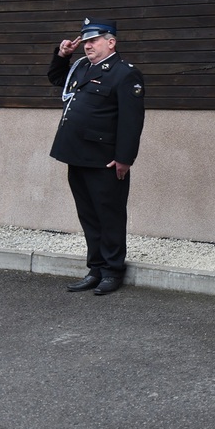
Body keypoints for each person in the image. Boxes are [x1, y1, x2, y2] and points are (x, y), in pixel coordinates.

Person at [47, 18, 146, 296]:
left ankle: (113, 271)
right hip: (76, 155)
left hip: (105, 160)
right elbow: (56, 78)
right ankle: (96, 268)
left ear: (111, 42)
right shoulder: (81, 67)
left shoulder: (125, 74)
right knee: (89, 215)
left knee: (109, 216)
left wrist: (125, 158)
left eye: (93, 40)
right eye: (85, 41)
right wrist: (62, 55)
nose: (87, 46)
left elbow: (132, 120)